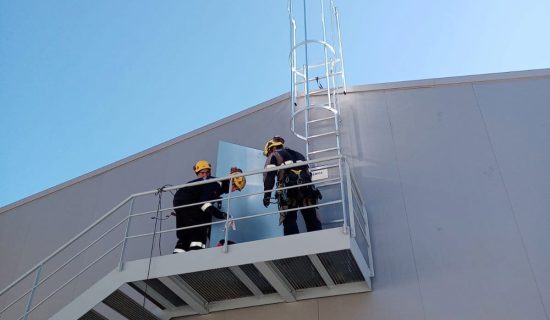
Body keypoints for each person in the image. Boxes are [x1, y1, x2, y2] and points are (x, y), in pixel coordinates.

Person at [173, 160, 246, 253]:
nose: (234, 190)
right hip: (189, 201)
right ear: (230, 182)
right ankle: (196, 255)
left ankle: (178, 254)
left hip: (179, 202)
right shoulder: (215, 184)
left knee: (185, 234)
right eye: (235, 187)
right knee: (200, 230)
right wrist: (222, 215)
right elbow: (204, 203)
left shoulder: (212, 183)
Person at [262, 136, 322, 235]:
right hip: (307, 190)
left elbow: (269, 177)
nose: (268, 155)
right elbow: (308, 174)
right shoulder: (299, 155)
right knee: (311, 218)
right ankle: (317, 242)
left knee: (289, 220)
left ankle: (294, 245)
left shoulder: (274, 155)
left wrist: (267, 196)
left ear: (271, 148)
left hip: (289, 191)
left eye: (268, 153)